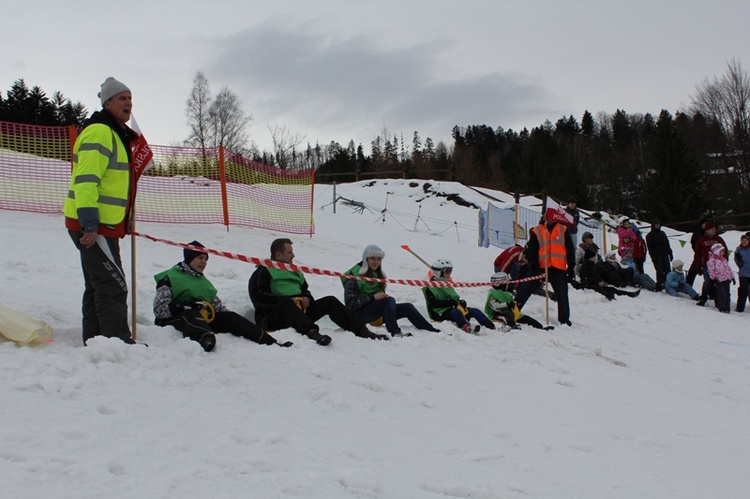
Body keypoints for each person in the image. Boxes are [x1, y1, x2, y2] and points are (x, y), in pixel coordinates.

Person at [63, 77, 139, 345]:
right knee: (112, 284)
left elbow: (117, 185)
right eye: (122, 98)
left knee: (98, 283)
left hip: (106, 226)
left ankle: (96, 341)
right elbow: (86, 181)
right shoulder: (99, 132)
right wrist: (90, 224)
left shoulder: (116, 133)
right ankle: (116, 343)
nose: (128, 102)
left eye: (130, 98)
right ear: (107, 103)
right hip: (93, 226)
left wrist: (126, 219)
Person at [153, 241, 291, 351]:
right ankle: (205, 338)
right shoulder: (170, 277)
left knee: (231, 317)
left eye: (206, 259)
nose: (203, 262)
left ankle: (268, 341)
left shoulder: (203, 283)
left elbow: (218, 307)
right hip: (174, 319)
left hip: (202, 319)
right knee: (191, 315)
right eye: (199, 258)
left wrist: (230, 319)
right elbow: (160, 310)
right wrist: (186, 306)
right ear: (189, 259)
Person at [248, 238, 388, 346]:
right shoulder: (263, 270)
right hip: (273, 317)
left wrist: (307, 299)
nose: (293, 255)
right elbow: (258, 297)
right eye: (289, 252)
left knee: (330, 301)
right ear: (278, 255)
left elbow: (305, 291)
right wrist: (288, 301)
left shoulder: (295, 271)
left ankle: (362, 331)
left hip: (300, 311)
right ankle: (312, 333)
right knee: (286, 302)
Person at [342, 244, 439, 337]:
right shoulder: (353, 277)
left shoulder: (378, 275)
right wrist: (373, 298)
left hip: (375, 314)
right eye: (373, 258)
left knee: (407, 307)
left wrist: (381, 297)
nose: (376, 262)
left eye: (378, 259)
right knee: (389, 300)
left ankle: (431, 330)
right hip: (358, 316)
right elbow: (351, 305)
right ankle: (394, 332)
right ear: (365, 259)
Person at [524, 218, 576, 326]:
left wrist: (571, 267)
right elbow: (532, 251)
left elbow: (570, 249)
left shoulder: (563, 229)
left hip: (558, 268)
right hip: (540, 268)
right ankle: (513, 311)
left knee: (562, 295)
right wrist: (534, 267)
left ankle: (564, 319)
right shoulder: (536, 230)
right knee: (525, 289)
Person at [422, 259, 496, 334]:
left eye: (450, 271)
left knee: (475, 311)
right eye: (447, 271)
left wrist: (460, 302)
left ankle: (491, 327)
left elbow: (454, 298)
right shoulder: (430, 287)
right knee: (455, 312)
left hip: (453, 309)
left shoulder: (447, 284)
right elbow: (432, 303)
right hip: (440, 313)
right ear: (438, 272)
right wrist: (449, 303)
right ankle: (465, 327)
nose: (449, 274)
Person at [484, 272, 554, 331]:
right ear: (501, 284)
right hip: (497, 315)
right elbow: (494, 306)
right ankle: (511, 326)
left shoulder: (506, 293)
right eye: (506, 283)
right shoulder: (493, 294)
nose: (508, 285)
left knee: (527, 319)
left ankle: (541, 328)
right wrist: (506, 304)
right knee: (507, 317)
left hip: (513, 314)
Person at [694, 222, 728, 306]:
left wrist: (725, 262)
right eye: (711, 229)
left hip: (718, 264)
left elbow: (725, 251)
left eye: (714, 229)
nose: (713, 230)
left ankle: (718, 300)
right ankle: (703, 298)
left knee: (718, 282)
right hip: (707, 265)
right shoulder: (702, 240)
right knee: (708, 281)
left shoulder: (719, 239)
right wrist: (698, 267)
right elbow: (698, 254)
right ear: (707, 230)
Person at [706, 243, 735, 313]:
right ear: (717, 251)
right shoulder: (712, 261)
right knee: (722, 293)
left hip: (726, 279)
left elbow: (728, 269)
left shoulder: (724, 260)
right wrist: (714, 278)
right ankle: (721, 307)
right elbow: (710, 270)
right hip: (719, 280)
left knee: (727, 294)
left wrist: (732, 277)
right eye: (722, 251)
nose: (723, 253)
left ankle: (727, 307)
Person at [645, 219, 673, 288]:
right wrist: (653, 257)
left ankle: (668, 284)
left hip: (665, 254)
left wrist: (670, 253)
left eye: (659, 224)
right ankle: (660, 285)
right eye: (656, 224)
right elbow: (650, 247)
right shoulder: (650, 235)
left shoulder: (662, 233)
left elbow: (667, 244)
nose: (657, 226)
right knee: (660, 271)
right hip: (657, 256)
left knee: (667, 270)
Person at [686, 218, 709, 286]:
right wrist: (696, 251)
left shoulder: (709, 233)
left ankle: (711, 292)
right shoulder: (697, 233)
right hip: (698, 256)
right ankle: (687, 287)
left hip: (708, 257)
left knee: (708, 275)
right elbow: (693, 243)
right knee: (692, 272)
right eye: (704, 223)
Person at [734, 232, 750, 312]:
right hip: (743, 273)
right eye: (742, 240)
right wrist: (741, 265)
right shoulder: (739, 250)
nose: (744, 242)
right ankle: (740, 307)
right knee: (743, 290)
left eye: (745, 240)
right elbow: (736, 259)